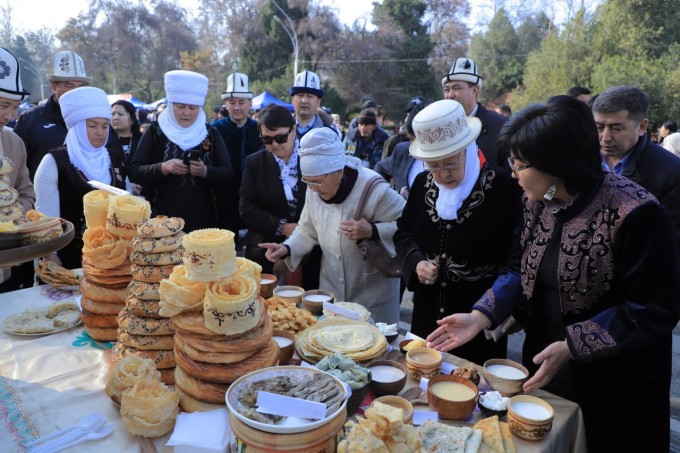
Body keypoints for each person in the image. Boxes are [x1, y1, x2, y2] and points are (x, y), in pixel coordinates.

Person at [426, 96, 680, 452]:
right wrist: (481, 314)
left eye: (519, 163)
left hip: (615, 382)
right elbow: (519, 266)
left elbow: (655, 308)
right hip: (545, 364)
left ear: (556, 164)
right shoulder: (536, 200)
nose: (512, 173)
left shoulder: (635, 213)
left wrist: (574, 345)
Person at [393, 100, 522, 365]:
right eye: (433, 165)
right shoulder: (422, 184)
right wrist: (416, 263)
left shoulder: (504, 189)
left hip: (477, 322)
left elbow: (518, 259)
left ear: (468, 149)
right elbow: (404, 233)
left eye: (450, 163)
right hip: (427, 317)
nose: (441, 174)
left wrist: (491, 311)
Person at [259, 127, 406, 324]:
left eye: (317, 181)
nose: (312, 188)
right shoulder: (313, 189)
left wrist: (372, 231)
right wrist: (286, 248)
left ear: (339, 170)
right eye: (307, 182)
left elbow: (408, 226)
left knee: (373, 348)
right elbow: (306, 229)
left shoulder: (374, 189)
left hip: (372, 296)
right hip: (332, 294)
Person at [34, 87, 126, 268]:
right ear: (77, 127)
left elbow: (126, 201)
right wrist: (49, 255)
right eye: (92, 126)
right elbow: (44, 216)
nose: (100, 132)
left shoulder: (114, 157)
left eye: (105, 126)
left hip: (112, 257)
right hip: (67, 256)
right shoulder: (54, 161)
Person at [130, 70, 233, 233]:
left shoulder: (210, 133)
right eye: (180, 106)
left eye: (192, 108)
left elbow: (228, 173)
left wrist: (205, 171)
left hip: (204, 220)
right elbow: (135, 171)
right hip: (162, 219)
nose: (187, 113)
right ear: (171, 106)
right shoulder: (156, 131)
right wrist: (163, 167)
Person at [239, 105, 320, 289]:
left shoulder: (311, 157)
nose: (274, 145)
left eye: (280, 138)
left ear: (293, 131)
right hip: (265, 249)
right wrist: (282, 227)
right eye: (267, 139)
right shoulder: (255, 162)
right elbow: (246, 207)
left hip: (312, 249)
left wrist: (301, 230)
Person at [592, 86, 680, 250]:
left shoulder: (671, 173)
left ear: (642, 126)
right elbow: (551, 195)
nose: (605, 137)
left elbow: (670, 243)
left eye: (616, 128)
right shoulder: (580, 158)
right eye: (599, 127)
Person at [14, 50, 94, 179]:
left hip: (88, 197)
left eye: (81, 86)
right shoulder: (30, 118)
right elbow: (16, 164)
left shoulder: (93, 117)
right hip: (40, 196)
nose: (76, 92)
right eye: (70, 86)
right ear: (53, 87)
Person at [0, 48, 36, 291]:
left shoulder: (14, 143)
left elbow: (27, 194)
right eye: (3, 105)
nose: (9, 116)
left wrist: (10, 213)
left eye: (14, 107)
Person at [212, 72, 261, 235]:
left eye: (241, 102)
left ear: (250, 104)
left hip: (254, 197)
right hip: (224, 197)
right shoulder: (215, 129)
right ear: (226, 105)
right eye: (232, 102)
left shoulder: (259, 129)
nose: (237, 107)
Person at [441, 58, 508, 168]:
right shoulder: (441, 128)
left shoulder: (500, 126)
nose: (450, 95)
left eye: (456, 88)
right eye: (447, 90)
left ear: (474, 91)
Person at [375, 99, 431, 198]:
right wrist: (390, 195)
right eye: (411, 140)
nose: (414, 147)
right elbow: (380, 168)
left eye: (420, 143)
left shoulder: (451, 160)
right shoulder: (402, 151)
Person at [289, 70, 336, 140]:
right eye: (300, 95)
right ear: (292, 99)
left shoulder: (330, 136)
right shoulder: (280, 130)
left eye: (309, 96)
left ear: (318, 102)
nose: (304, 101)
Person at [109, 100, 142, 168]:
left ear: (132, 118)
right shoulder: (106, 140)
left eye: (120, 114)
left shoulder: (143, 139)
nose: (115, 118)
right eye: (113, 114)